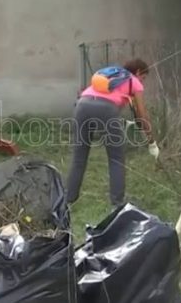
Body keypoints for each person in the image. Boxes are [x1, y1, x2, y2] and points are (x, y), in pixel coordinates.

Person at [66, 58, 159, 207]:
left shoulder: (108, 74)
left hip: (82, 105)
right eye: (144, 78)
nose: (143, 82)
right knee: (116, 158)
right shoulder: (134, 81)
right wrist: (152, 142)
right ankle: (118, 203)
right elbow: (142, 114)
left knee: (79, 158)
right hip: (106, 109)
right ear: (138, 72)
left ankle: (68, 200)